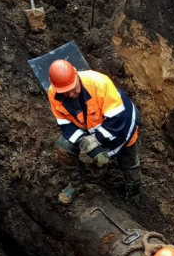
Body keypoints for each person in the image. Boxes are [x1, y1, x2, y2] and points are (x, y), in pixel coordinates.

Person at [46, 59, 142, 204]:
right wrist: (88, 145)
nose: (71, 94)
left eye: (73, 88)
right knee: (63, 146)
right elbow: (65, 124)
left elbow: (118, 120)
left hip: (121, 128)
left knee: (129, 164)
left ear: (76, 75)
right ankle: (76, 184)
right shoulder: (54, 94)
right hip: (90, 129)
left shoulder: (99, 84)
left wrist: (96, 140)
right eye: (65, 92)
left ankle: (134, 196)